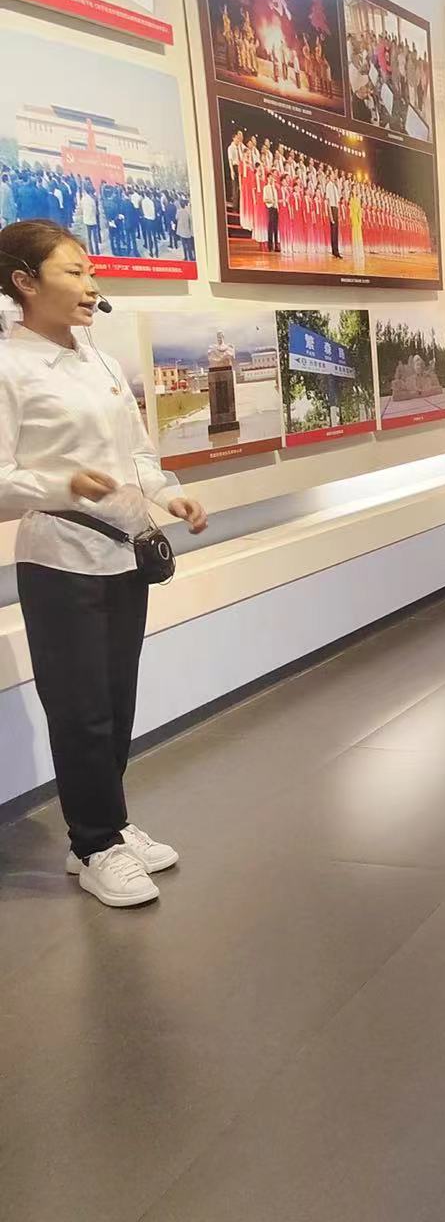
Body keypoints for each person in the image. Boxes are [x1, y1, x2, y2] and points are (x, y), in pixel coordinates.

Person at [0, 220, 209, 907]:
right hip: (58, 559)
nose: (91, 286)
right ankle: (93, 845)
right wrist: (63, 484)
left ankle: (108, 825)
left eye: (91, 272)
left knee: (117, 701)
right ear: (24, 282)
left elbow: (137, 452)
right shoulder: (8, 367)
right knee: (80, 708)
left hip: (123, 554)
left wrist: (168, 496)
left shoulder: (99, 359)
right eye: (74, 272)